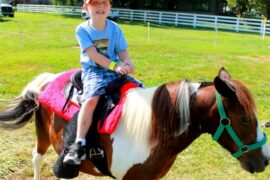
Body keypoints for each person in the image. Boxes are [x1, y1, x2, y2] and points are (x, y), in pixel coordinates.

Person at [63, 0, 142, 165]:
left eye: (105, 3)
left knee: (140, 90)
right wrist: (115, 65)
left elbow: (122, 50)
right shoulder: (82, 29)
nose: (101, 7)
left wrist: (127, 62)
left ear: (110, 7)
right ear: (86, 7)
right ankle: (79, 143)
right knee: (91, 100)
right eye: (95, 3)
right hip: (94, 71)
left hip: (115, 69)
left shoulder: (114, 27)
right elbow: (93, 54)